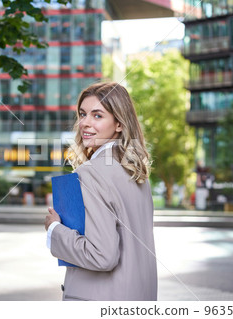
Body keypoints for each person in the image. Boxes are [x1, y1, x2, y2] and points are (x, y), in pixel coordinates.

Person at [44, 82, 157, 301]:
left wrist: (54, 229)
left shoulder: (92, 172)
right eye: (82, 114)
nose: (85, 123)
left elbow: (102, 256)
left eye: (97, 116)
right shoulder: (136, 172)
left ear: (118, 124)